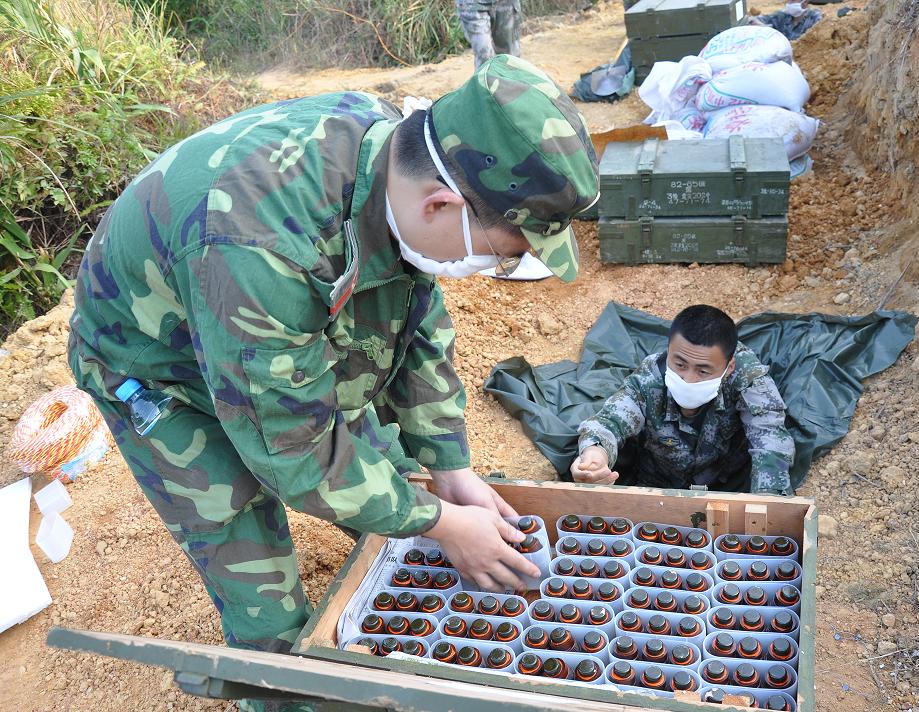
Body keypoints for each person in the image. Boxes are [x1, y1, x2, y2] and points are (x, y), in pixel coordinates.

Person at [67, 54, 598, 688]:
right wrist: (441, 522)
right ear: (441, 204)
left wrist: (451, 470)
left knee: (388, 478)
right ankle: (279, 688)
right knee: (254, 564)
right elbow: (294, 451)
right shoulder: (258, 246)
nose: (491, 271)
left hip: (252, 325)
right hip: (159, 366)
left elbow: (414, 315)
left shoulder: (391, 152)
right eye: (500, 257)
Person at [570, 305, 794, 495]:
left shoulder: (749, 379)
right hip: (657, 485)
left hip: (726, 486)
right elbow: (611, 421)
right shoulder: (650, 377)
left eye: (703, 371)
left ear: (729, 367)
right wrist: (594, 455)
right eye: (680, 365)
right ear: (668, 352)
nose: (688, 378)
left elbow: (771, 441)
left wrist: (767, 501)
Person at [456, 0, 522, 69]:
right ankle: (487, 79)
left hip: (505, 3)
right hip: (472, 4)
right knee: (484, 57)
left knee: (510, 58)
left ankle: (509, 79)